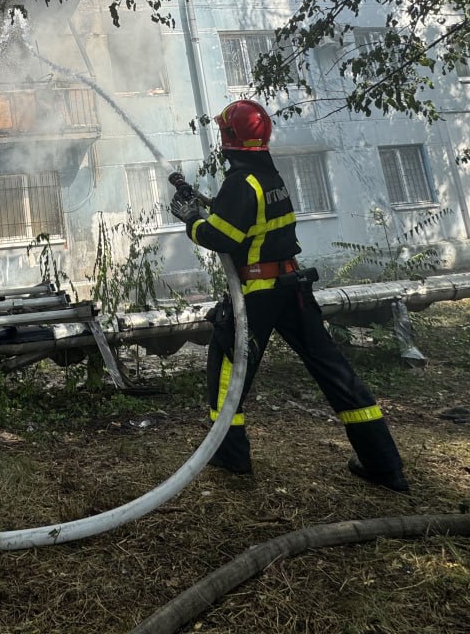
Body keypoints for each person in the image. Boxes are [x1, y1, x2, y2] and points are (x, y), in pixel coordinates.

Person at [169, 99, 410, 492]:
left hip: (258, 294)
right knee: (334, 371)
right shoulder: (269, 177)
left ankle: (231, 457)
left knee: (227, 368)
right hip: (292, 287)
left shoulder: (241, 183)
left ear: (229, 137)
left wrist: (191, 219)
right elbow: (249, 221)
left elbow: (221, 236)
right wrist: (207, 205)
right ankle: (384, 465)